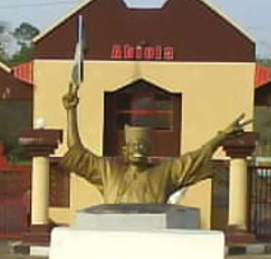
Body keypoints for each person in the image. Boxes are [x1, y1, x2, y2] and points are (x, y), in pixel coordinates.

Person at [59, 81, 252, 204]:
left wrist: (221, 137)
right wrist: (71, 111)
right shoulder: (108, 172)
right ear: (124, 151)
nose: (138, 150)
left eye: (142, 146)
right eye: (133, 146)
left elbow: (196, 158)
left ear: (150, 150)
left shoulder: (164, 174)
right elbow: (77, 151)